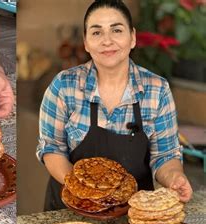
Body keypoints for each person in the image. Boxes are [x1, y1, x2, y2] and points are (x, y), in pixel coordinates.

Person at [36, 0, 192, 211]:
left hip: (132, 213)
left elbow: (165, 155)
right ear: (86, 42)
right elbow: (52, 148)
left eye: (116, 30)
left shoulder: (156, 90)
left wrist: (175, 177)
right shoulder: (64, 86)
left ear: (132, 38)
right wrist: (86, 191)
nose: (107, 41)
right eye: (97, 32)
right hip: (69, 211)